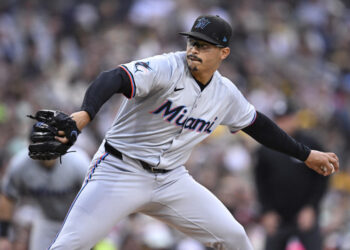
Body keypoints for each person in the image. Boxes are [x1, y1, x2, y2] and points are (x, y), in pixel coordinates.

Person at [48, 15, 339, 250]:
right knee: (68, 246)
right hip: (119, 169)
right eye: (193, 42)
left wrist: (306, 154)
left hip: (171, 180)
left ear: (224, 53)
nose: (194, 50)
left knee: (236, 239)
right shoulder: (167, 67)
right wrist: (85, 114)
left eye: (204, 45)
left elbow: (260, 126)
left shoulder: (225, 94)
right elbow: (114, 78)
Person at [254, 101, 329, 250]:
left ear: (295, 118)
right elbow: (260, 183)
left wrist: (312, 206)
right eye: (280, 119)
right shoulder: (266, 148)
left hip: (305, 214)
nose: (284, 123)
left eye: (287, 118)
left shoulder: (311, 145)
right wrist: (267, 211)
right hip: (277, 217)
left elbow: (323, 177)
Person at [0, 147, 90, 250]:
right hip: (47, 220)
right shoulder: (20, 164)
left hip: (76, 220)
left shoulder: (77, 161)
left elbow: (93, 196)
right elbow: (8, 196)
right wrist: (3, 234)